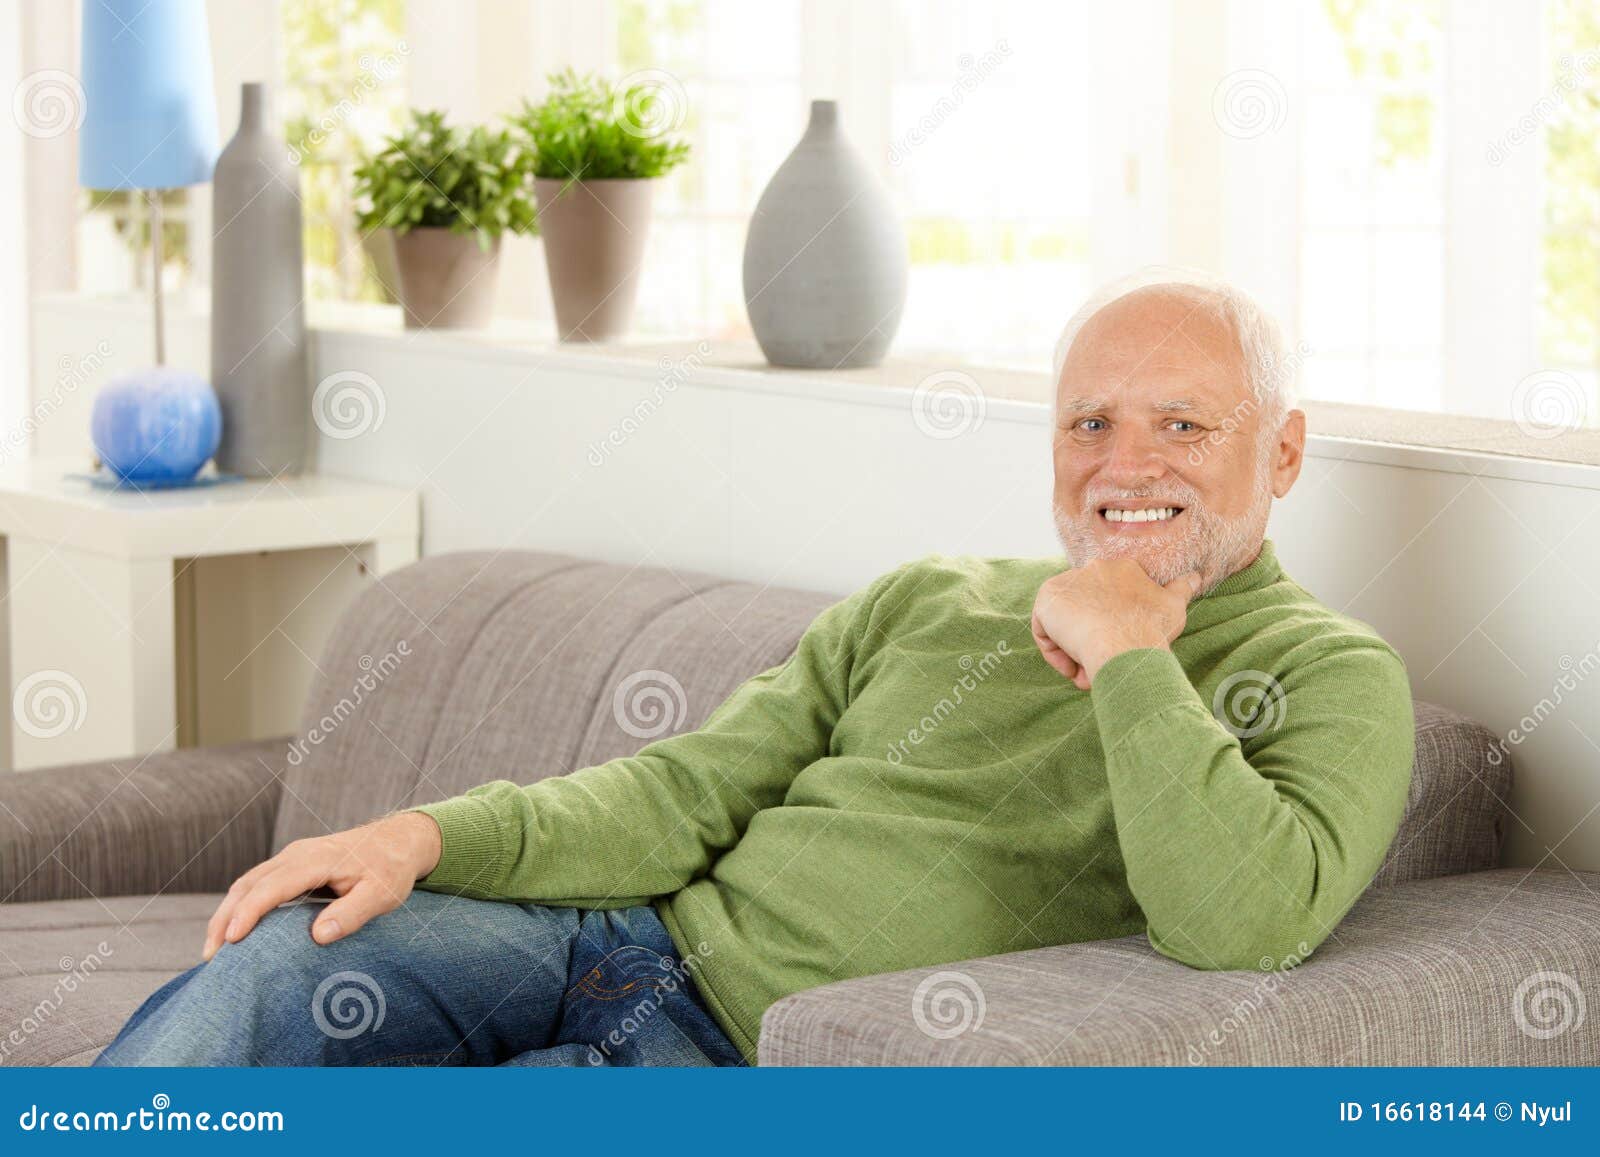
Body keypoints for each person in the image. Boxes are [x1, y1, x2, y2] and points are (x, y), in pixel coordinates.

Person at [96, 269, 1415, 1067]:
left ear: (1283, 453)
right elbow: (686, 789)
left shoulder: (1333, 675)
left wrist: (1130, 650)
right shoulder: (936, 594)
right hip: (608, 936)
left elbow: (1240, 921)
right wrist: (421, 832)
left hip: (743, 1048)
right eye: (1091, 423)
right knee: (278, 966)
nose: (1127, 463)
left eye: (1183, 423)